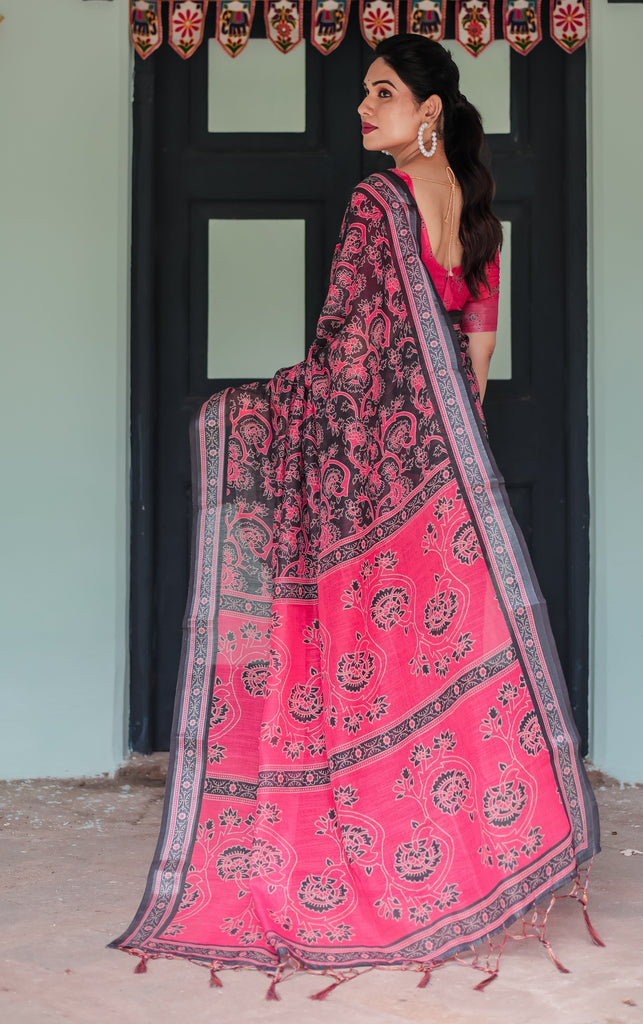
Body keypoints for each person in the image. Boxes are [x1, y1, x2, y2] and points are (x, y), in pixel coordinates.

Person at [111, 34, 600, 995]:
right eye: (362, 94)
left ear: (428, 110)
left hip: (367, 487)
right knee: (443, 671)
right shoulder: (478, 224)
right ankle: (471, 862)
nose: (363, 109)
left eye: (382, 93)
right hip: (440, 487)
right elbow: (472, 375)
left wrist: (254, 414)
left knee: (367, 668)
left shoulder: (376, 206)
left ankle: (378, 851)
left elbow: (341, 357)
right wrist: (435, 462)